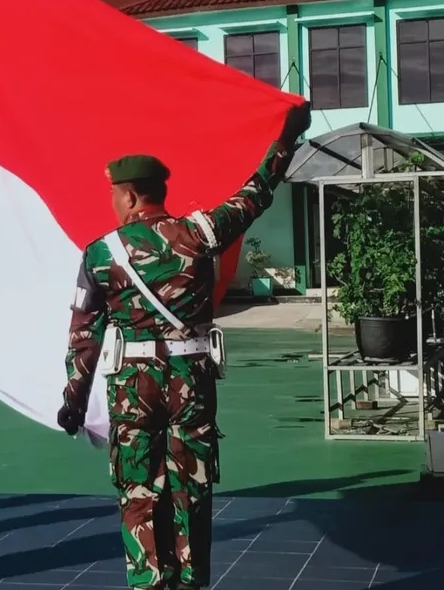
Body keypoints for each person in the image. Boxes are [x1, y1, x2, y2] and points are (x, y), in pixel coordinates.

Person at [56, 102, 312, 590]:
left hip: (133, 387)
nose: (111, 203)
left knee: (138, 491)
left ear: (131, 197)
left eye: (114, 194)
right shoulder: (202, 233)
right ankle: (191, 582)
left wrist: (73, 400)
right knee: (190, 490)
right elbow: (256, 194)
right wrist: (286, 139)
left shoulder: (102, 253)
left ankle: (150, 582)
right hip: (190, 382)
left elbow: (84, 335)